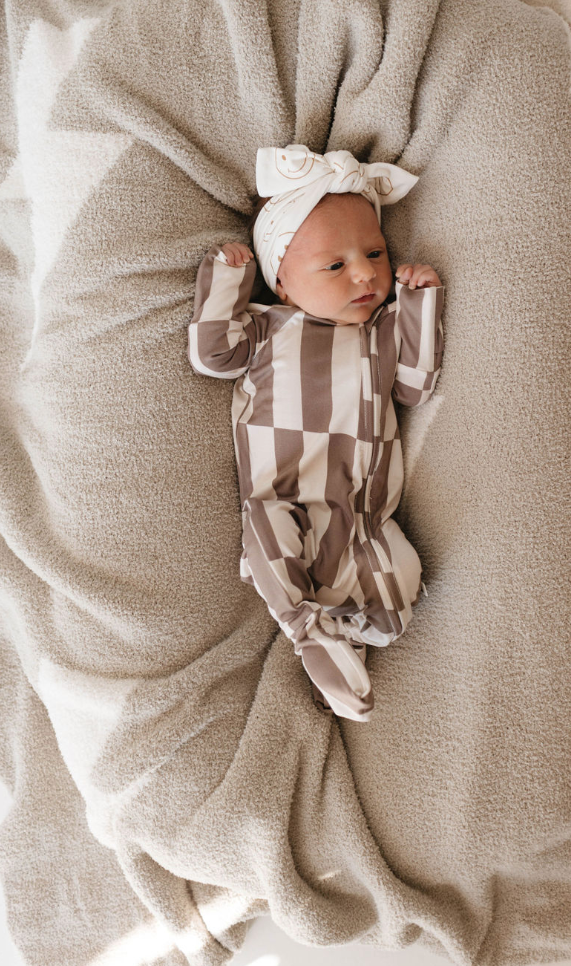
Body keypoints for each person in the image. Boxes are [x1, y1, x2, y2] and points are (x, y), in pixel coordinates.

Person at [188, 143, 445, 721]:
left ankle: (349, 638)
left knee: (399, 582)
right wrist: (228, 279)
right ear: (281, 283)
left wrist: (418, 303)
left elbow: (415, 385)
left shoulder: (378, 334)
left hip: (361, 514)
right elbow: (212, 353)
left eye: (375, 252)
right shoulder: (267, 328)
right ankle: (309, 633)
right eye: (335, 265)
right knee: (266, 530)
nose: (364, 273)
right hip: (283, 498)